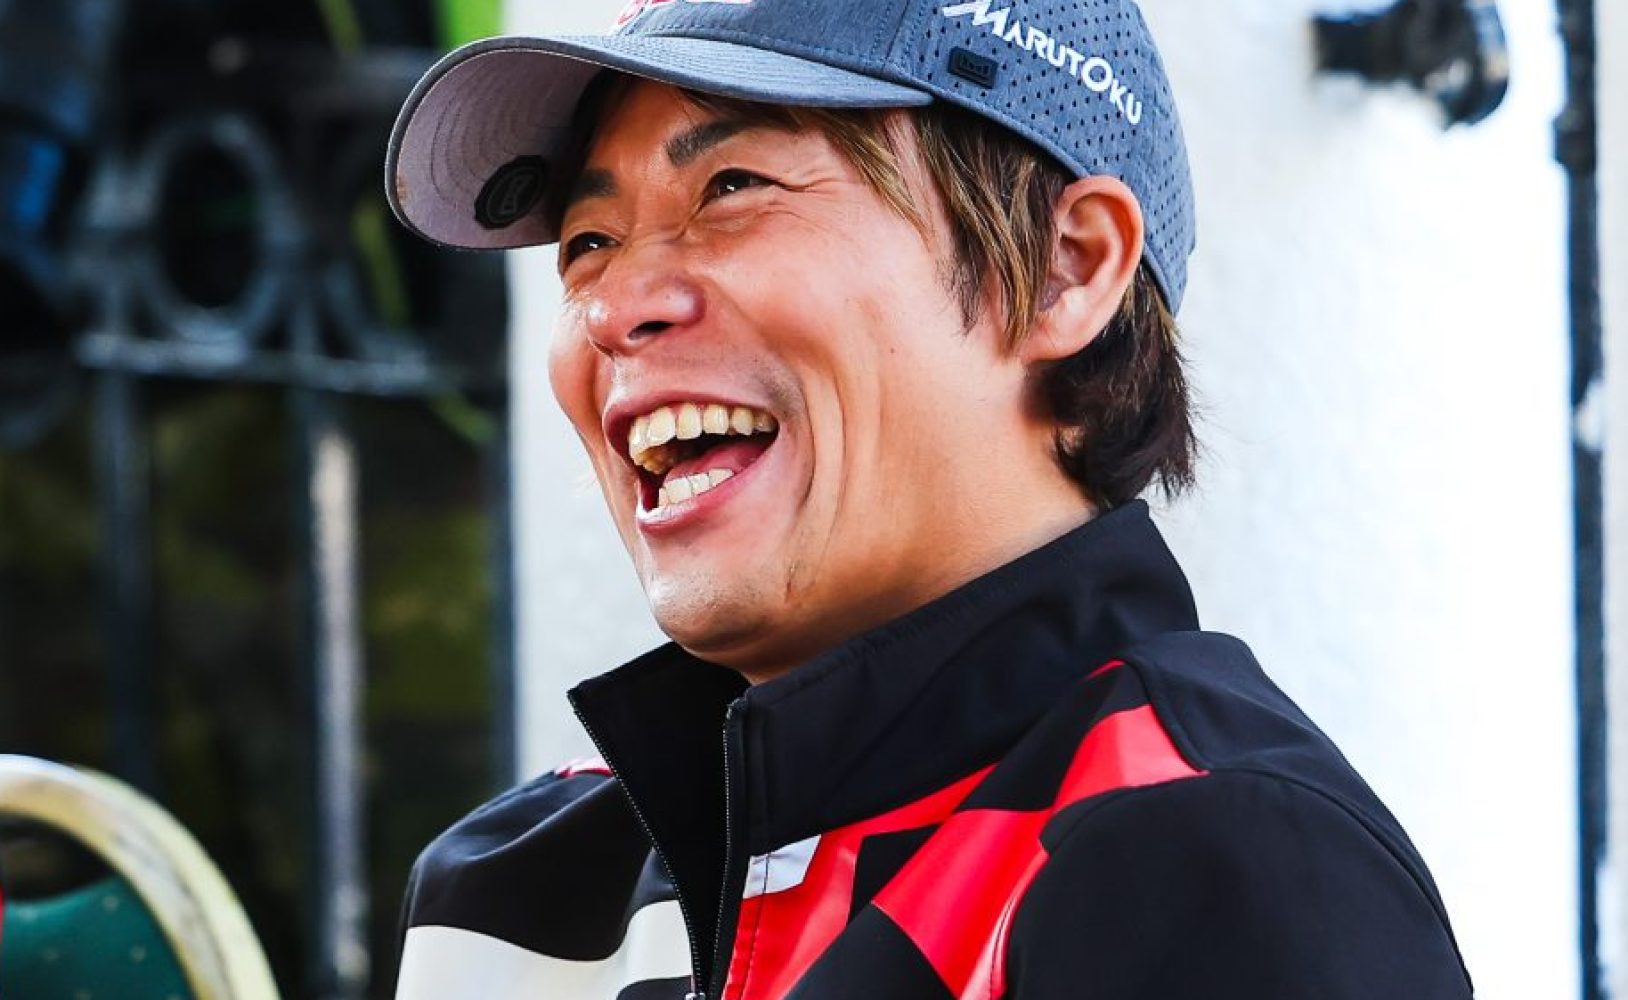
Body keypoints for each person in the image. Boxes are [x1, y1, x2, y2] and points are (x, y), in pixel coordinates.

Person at [385, 0, 1473, 997]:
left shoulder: (1199, 848)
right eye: (589, 244)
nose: (615, 306)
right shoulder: (509, 891)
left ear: (1065, 268)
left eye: (731, 188)